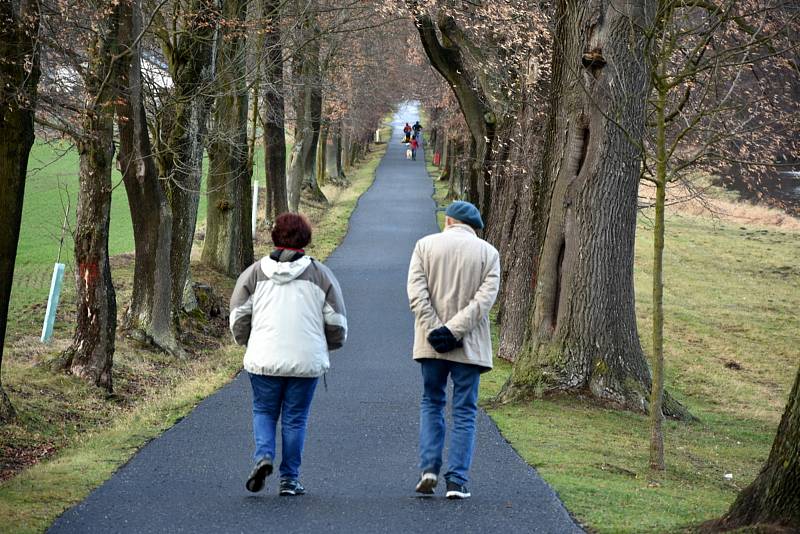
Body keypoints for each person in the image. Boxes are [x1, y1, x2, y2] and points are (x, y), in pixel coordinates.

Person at [230, 212, 347, 497]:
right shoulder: (320, 274)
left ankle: (263, 457)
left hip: (264, 359)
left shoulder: (255, 273)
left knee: (264, 411)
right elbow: (337, 323)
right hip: (305, 361)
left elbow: (238, 316)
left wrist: (247, 341)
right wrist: (328, 344)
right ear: (305, 238)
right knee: (295, 418)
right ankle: (290, 480)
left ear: (275, 237)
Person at [406, 201, 500, 500]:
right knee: (464, 411)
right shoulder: (488, 253)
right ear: (474, 227)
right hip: (469, 347)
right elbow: (484, 301)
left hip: (431, 346)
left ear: (448, 221)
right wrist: (455, 331)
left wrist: (437, 330)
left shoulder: (424, 246)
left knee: (432, 402)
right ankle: (457, 481)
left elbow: (416, 292)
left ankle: (429, 469)